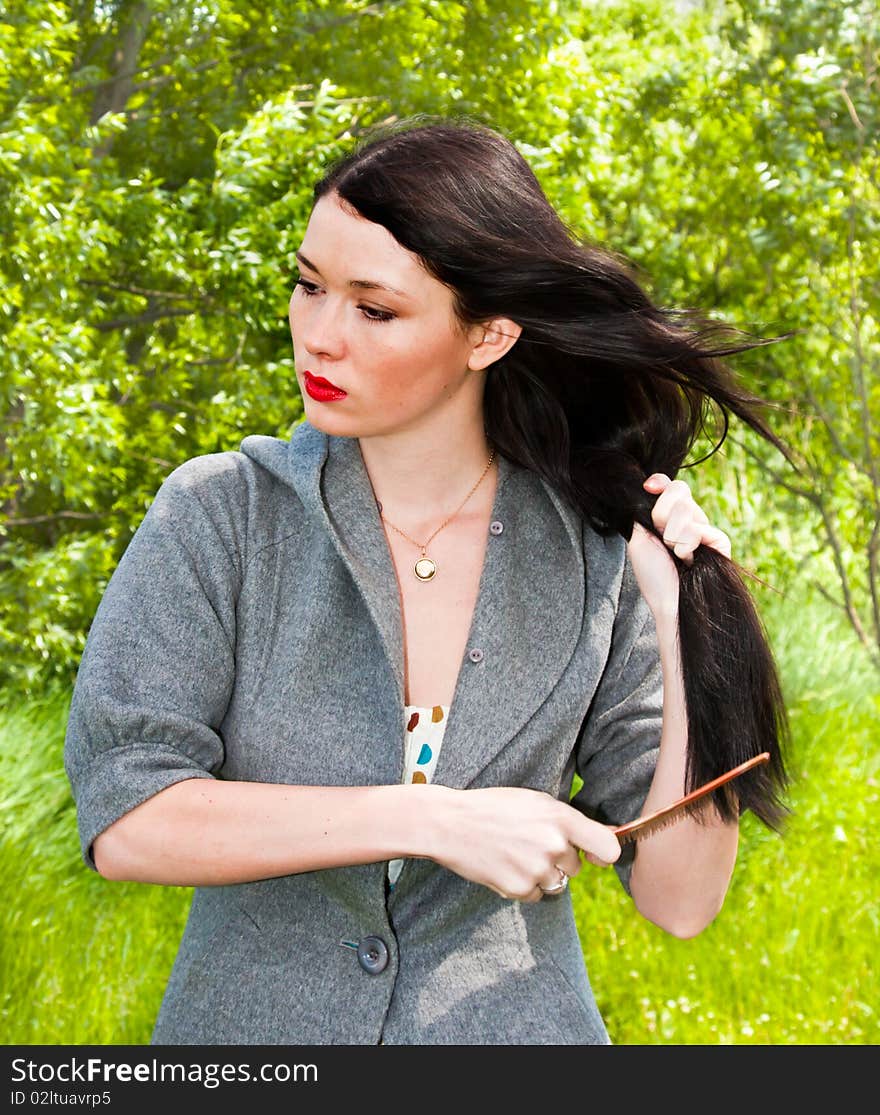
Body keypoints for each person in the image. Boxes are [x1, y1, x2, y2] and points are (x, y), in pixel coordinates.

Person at [63, 116, 790, 1046]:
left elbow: (680, 899)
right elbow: (129, 818)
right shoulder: (220, 515)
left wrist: (683, 617)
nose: (319, 336)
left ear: (487, 336)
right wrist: (429, 820)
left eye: (375, 309)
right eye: (308, 285)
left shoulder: (590, 553)